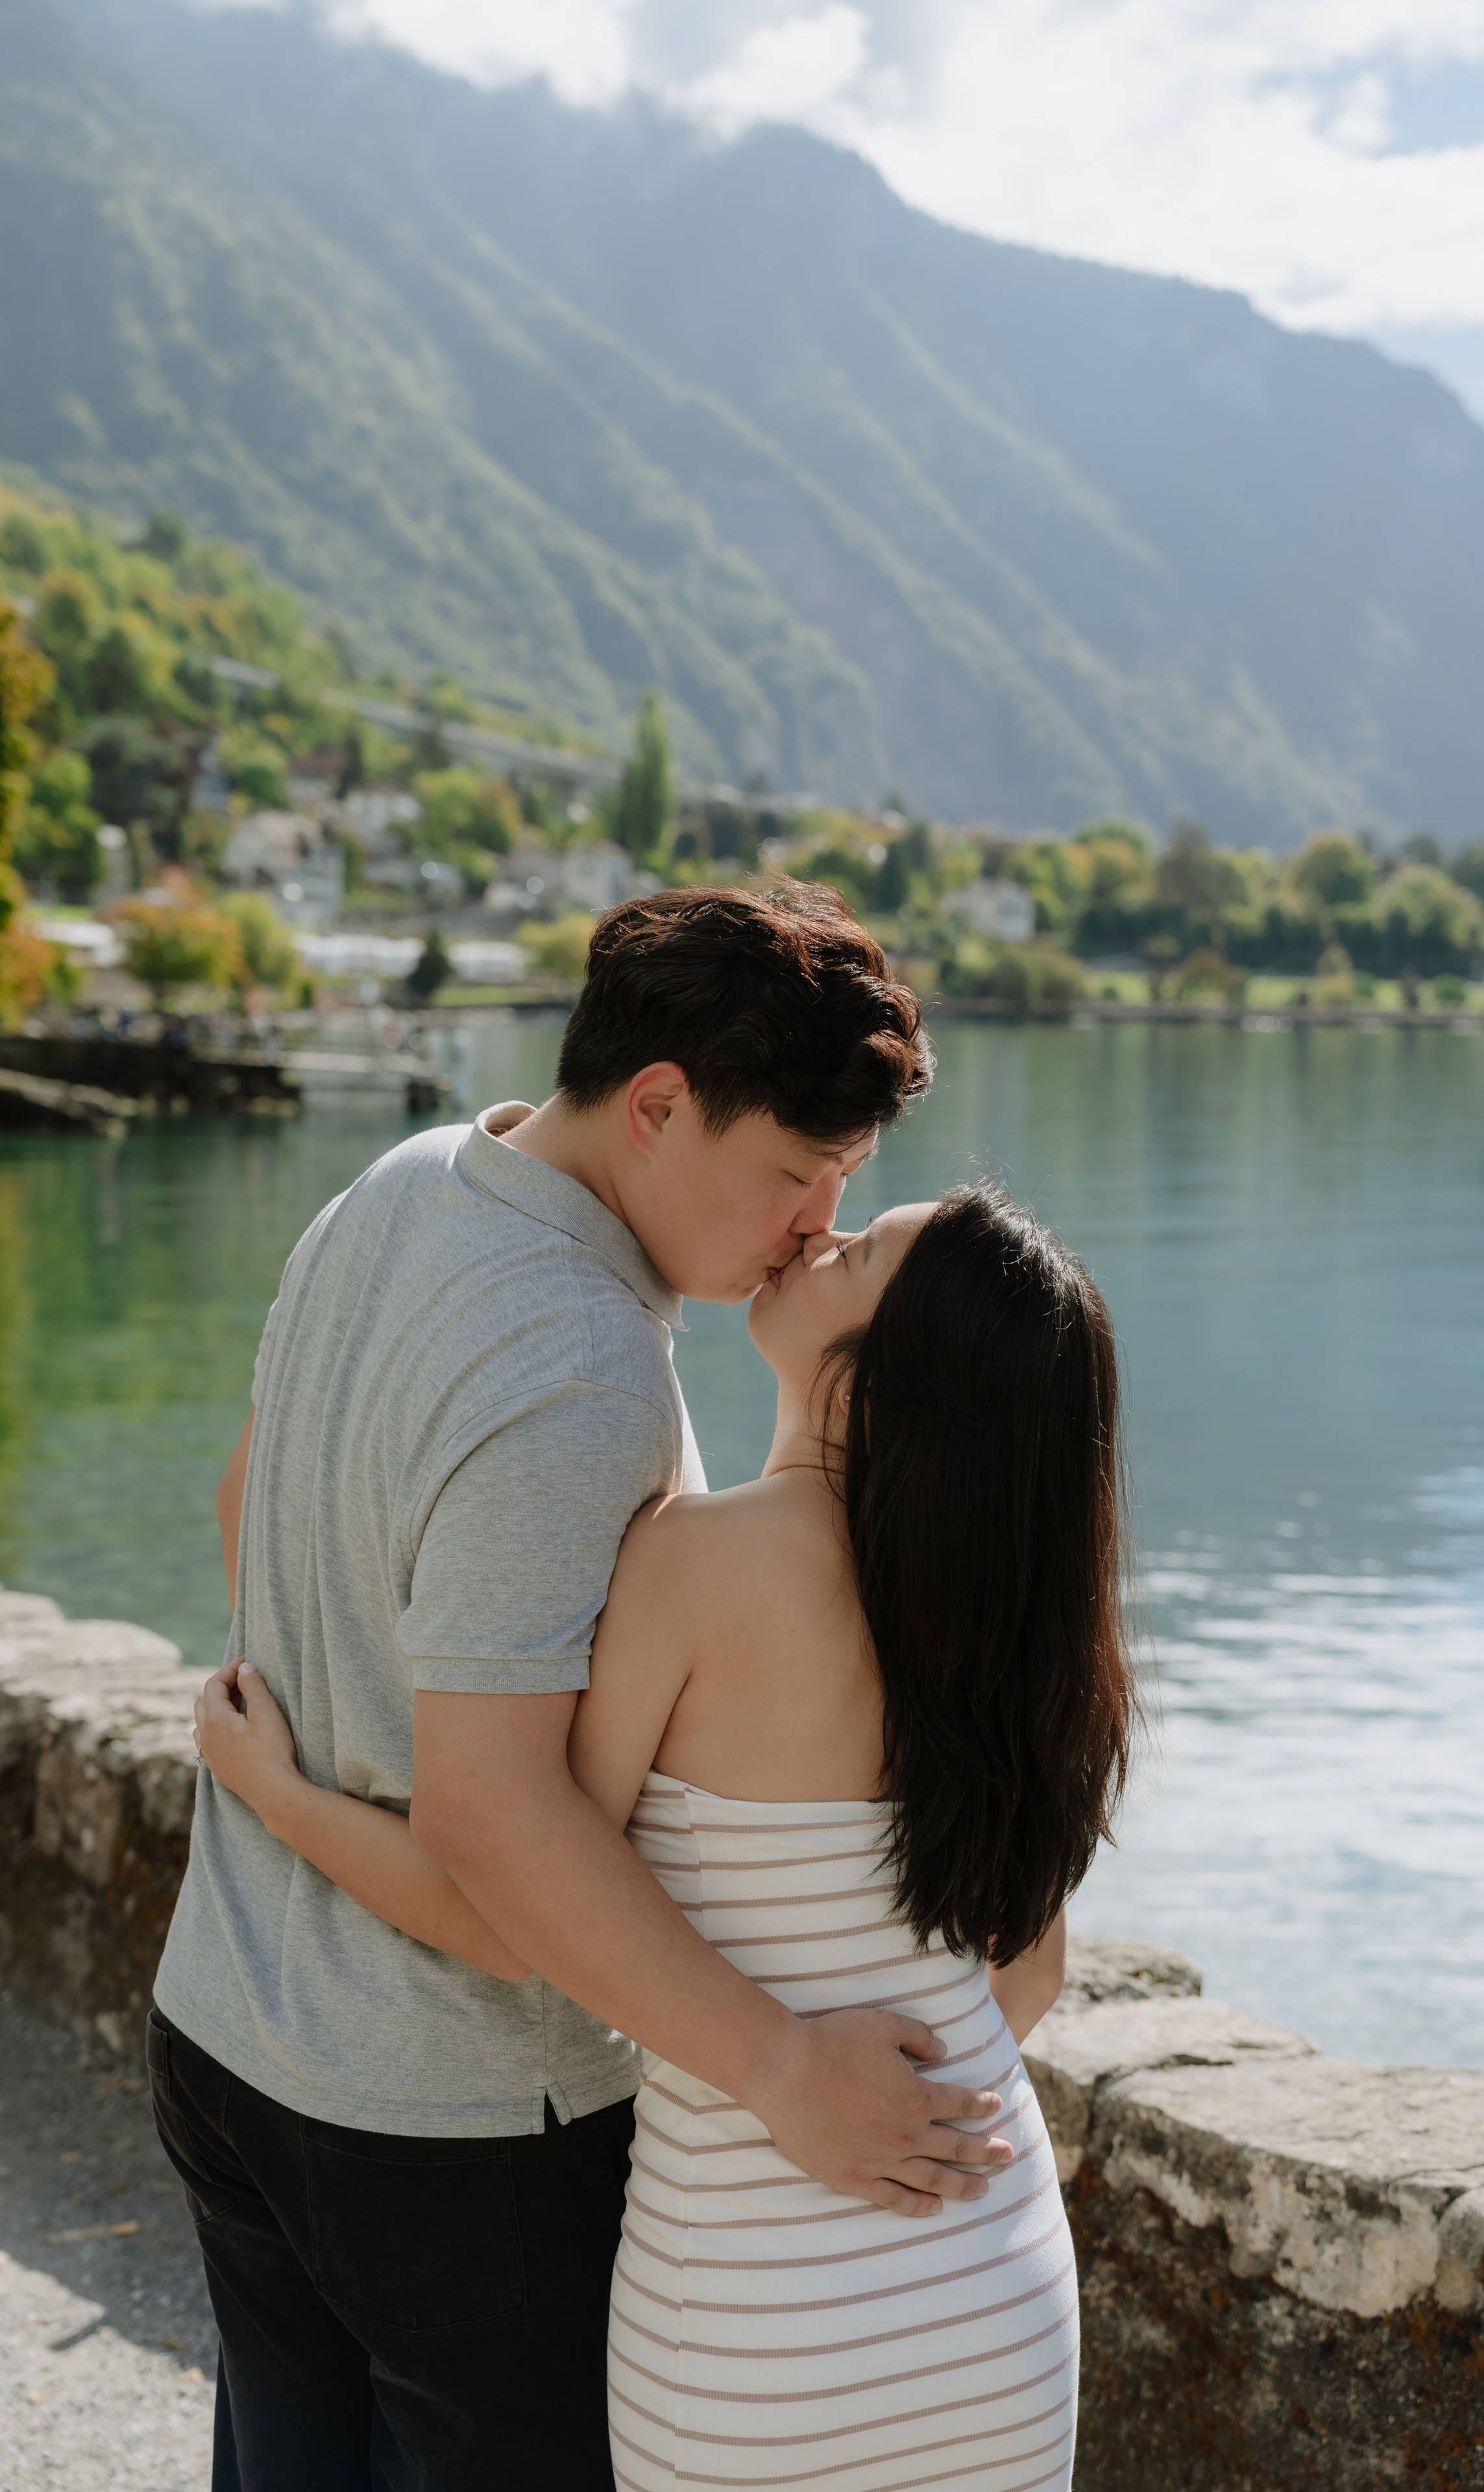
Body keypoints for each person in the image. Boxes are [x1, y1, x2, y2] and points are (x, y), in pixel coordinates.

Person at [150, 886, 1019, 2492]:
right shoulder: (579, 1362)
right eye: (791, 1172)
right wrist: (776, 2070)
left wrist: (300, 1766)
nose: (813, 1224)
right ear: (657, 1104)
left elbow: (243, 1506)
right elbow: (498, 1834)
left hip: (228, 2025)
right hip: (450, 2124)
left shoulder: (400, 1180)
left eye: (842, 1184)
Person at [199, 1179, 1137, 2492]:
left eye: (854, 1254)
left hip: (751, 2310)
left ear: (875, 1384)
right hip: (986, 2284)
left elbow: (504, 1903)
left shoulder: (702, 1564)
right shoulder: (1007, 1628)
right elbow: (1024, 1978)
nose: (817, 1230)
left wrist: (279, 1790)